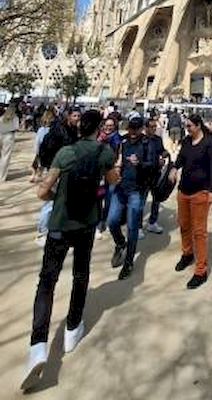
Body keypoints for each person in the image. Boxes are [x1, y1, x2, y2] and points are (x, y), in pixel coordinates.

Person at [21, 110, 117, 392]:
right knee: (80, 274)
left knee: (47, 282)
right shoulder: (103, 154)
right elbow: (112, 182)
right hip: (86, 224)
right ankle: (73, 328)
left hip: (60, 226)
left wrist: (58, 196)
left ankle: (38, 346)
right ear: (98, 128)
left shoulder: (65, 153)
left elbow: (42, 192)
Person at [169, 114, 212, 289]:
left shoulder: (209, 144)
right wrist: (174, 168)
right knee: (183, 224)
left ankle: (201, 270)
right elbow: (181, 159)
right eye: (186, 126)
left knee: (199, 231)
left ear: (198, 126)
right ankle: (187, 253)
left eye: (189, 126)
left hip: (200, 192)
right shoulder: (186, 142)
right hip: (184, 190)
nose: (187, 129)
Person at [107, 114, 152, 280]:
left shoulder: (147, 143)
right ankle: (120, 242)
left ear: (141, 128)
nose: (132, 132)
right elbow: (115, 159)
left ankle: (129, 261)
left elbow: (152, 164)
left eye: (136, 129)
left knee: (133, 227)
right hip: (120, 187)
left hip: (136, 189)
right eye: (130, 128)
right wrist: (116, 167)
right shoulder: (122, 141)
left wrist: (139, 163)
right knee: (111, 220)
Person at [142, 115, 168, 235]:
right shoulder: (141, 140)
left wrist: (164, 154)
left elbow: (161, 150)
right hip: (144, 174)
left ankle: (152, 222)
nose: (153, 129)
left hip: (156, 173)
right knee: (141, 201)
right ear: (145, 128)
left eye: (155, 127)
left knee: (156, 199)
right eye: (151, 127)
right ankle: (137, 226)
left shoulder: (158, 139)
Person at [0, 100, 20, 181]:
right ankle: (2, 176)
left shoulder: (2, 117)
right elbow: (16, 128)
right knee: (6, 156)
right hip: (8, 136)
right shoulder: (15, 118)